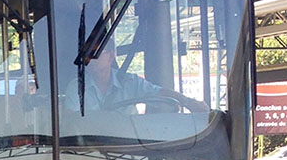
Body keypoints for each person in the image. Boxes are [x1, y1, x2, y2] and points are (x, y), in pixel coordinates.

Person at [64, 45, 209, 114]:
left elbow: (159, 93)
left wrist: (188, 102)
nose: (90, 59)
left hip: (130, 147)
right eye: (87, 54)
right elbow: (71, 120)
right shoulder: (76, 87)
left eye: (95, 54)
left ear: (110, 56)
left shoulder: (130, 82)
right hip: (90, 151)